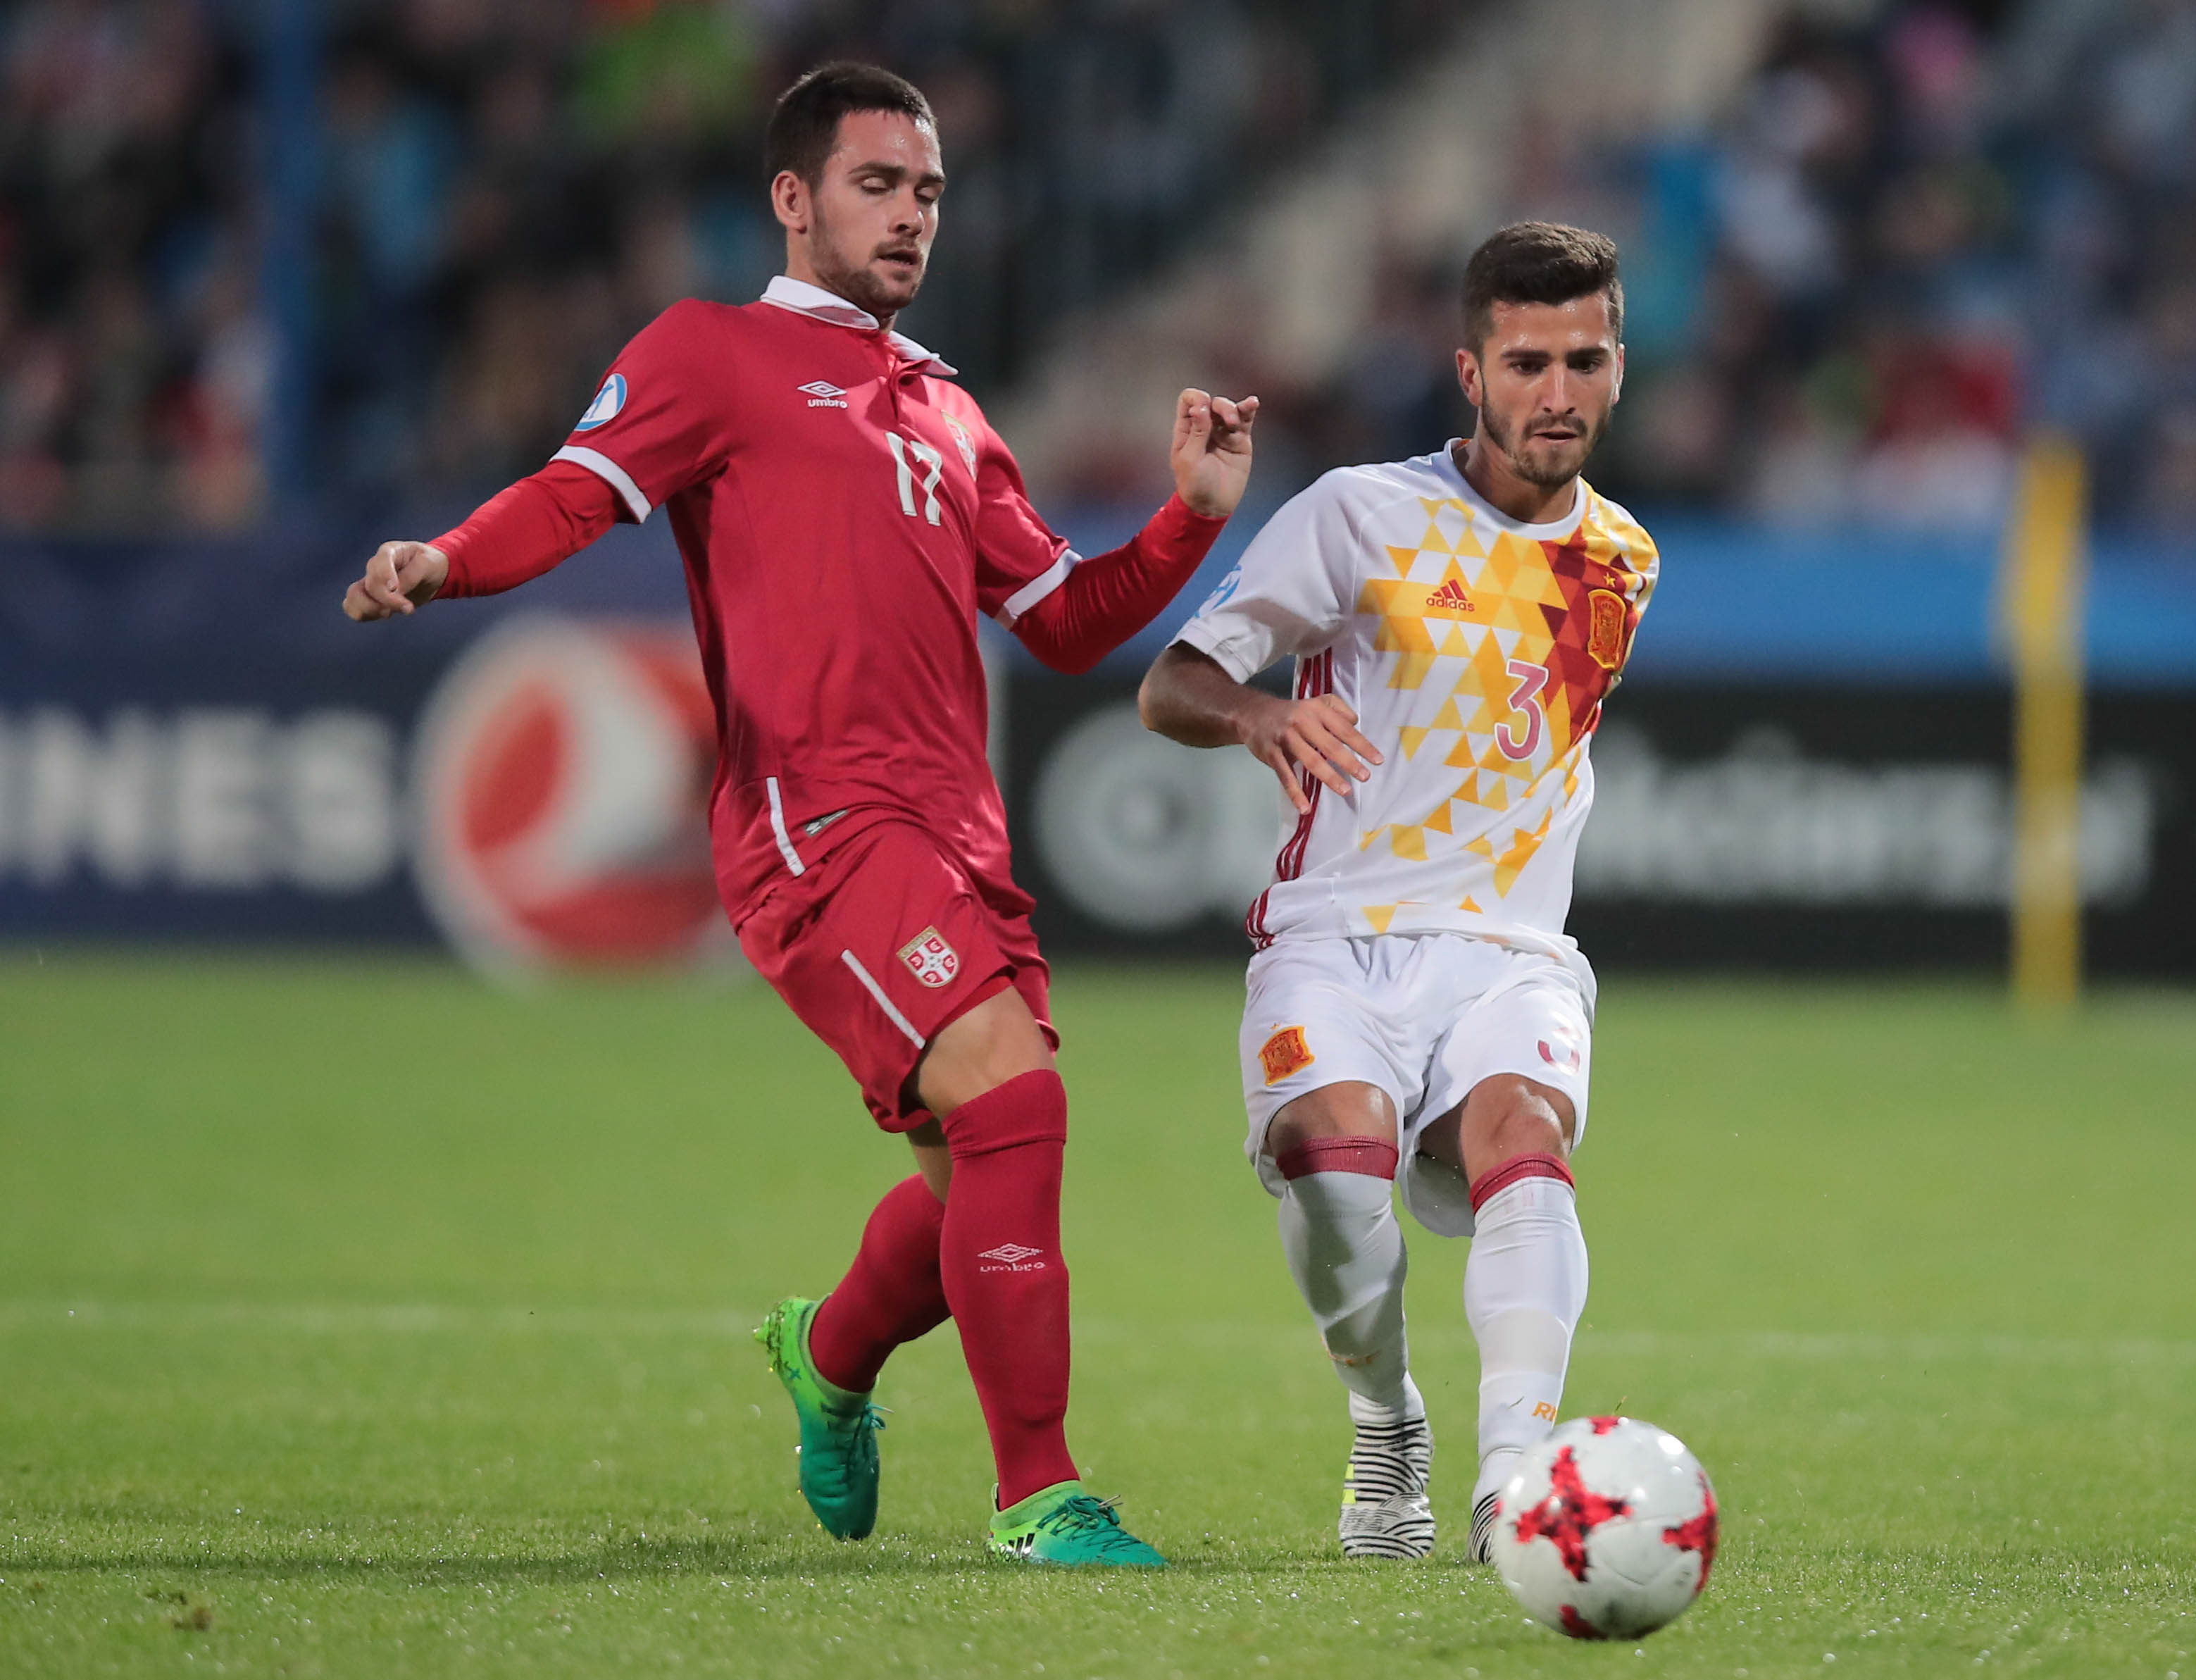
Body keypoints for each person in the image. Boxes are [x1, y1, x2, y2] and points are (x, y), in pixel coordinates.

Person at [342, 61, 1259, 1568]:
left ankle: (827, 1353)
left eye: (930, 193)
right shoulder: (710, 353)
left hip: (954, 835)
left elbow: (1069, 622)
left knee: (977, 1188)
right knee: (1017, 1104)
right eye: (878, 185)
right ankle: (1042, 1495)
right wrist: (444, 558)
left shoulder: (951, 411)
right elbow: (572, 494)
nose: (911, 218)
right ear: (792, 197)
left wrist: (1193, 516)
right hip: (814, 827)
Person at [1137, 222, 1654, 1562]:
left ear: (1618, 366)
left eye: (1583, 359)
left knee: (1525, 1136)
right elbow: (1170, 683)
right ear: (1469, 371)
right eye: (1527, 361)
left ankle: (1515, 1482)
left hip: (1513, 951)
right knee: (1333, 1162)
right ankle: (1388, 1417)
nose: (1558, 391)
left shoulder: (1625, 561)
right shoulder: (1357, 515)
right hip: (1336, 938)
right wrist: (1260, 719)